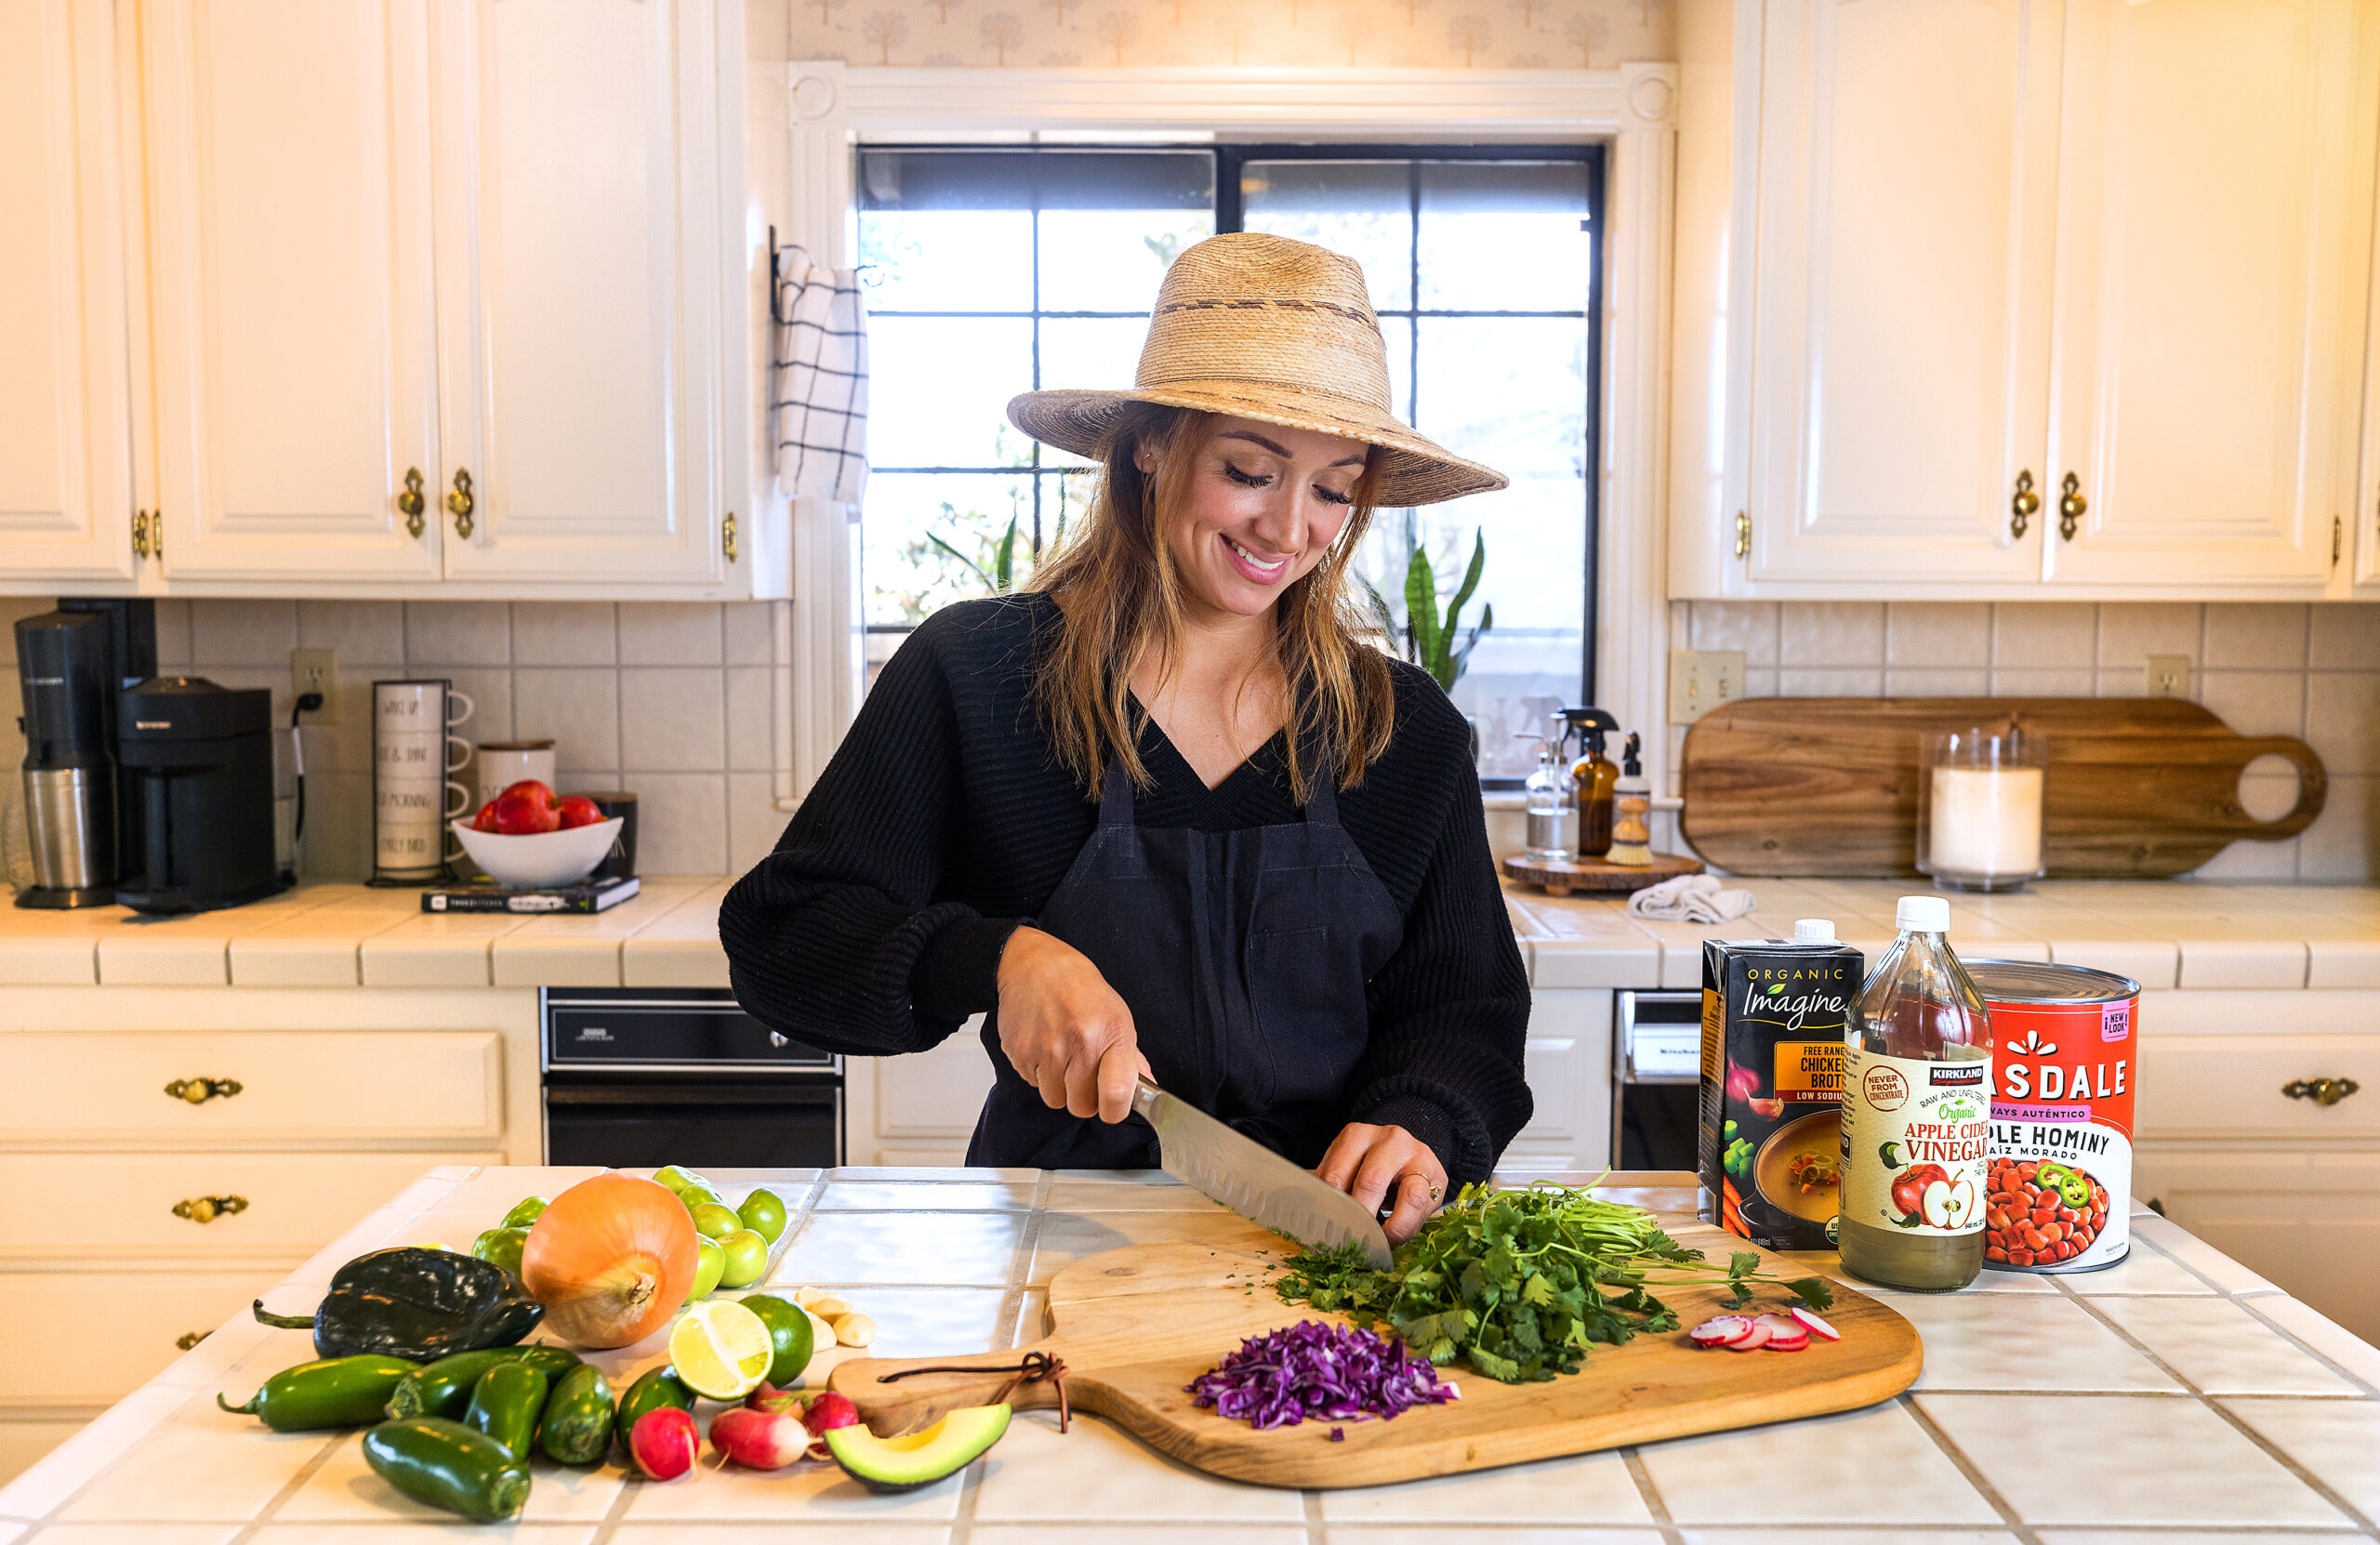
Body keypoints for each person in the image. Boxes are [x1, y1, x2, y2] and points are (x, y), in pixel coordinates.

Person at [721, 232, 1531, 1242]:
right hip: (1059, 1241)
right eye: (1250, 470)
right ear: (1149, 444)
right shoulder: (976, 677)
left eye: (1332, 488)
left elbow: (1468, 1017)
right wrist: (998, 958)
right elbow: (782, 942)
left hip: (1324, 1250)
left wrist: (1424, 1119)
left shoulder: (1402, 731)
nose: (1289, 529)